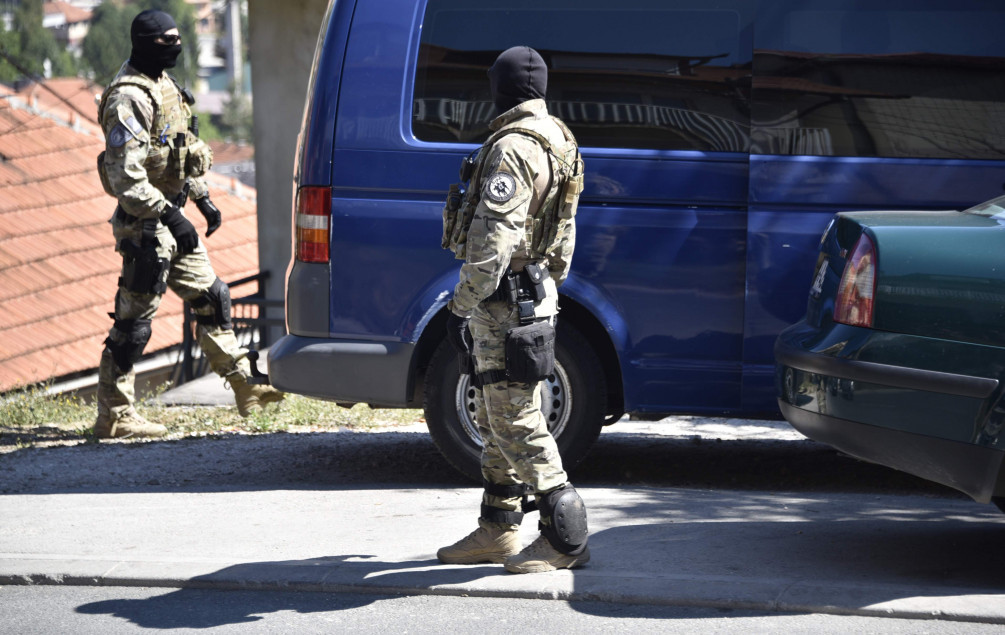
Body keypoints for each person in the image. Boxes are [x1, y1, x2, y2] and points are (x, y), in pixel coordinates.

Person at [92, 9, 284, 439]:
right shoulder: (128, 98)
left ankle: (245, 386)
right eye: (167, 40)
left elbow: (175, 149)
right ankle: (115, 415)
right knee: (133, 324)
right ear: (144, 43)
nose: (176, 46)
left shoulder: (164, 85)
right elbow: (126, 179)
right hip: (145, 225)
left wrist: (201, 197)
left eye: (179, 38)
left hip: (172, 218)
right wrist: (171, 216)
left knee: (212, 298)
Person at [437, 46, 588, 574]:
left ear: (500, 89)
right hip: (532, 294)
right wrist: (546, 287)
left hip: (502, 300)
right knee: (496, 409)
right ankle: (498, 528)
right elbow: (564, 232)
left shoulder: (512, 148)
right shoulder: (559, 139)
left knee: (515, 418)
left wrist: (461, 305)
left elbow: (493, 244)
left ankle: (565, 536)